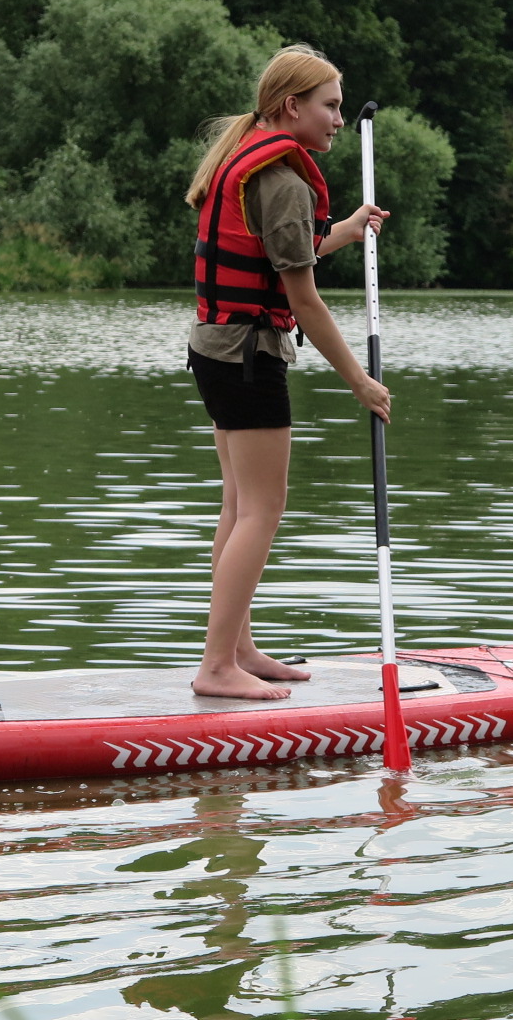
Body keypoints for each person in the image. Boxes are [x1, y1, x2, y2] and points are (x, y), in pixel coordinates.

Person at [184, 44, 392, 700]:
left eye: (340, 107)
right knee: (263, 511)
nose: (337, 119)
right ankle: (218, 666)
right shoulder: (281, 178)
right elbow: (304, 299)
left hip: (218, 350)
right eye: (329, 106)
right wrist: (359, 380)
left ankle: (236, 649)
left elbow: (289, 253)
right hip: (247, 358)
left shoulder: (260, 160)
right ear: (290, 106)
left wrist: (348, 230)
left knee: (241, 505)